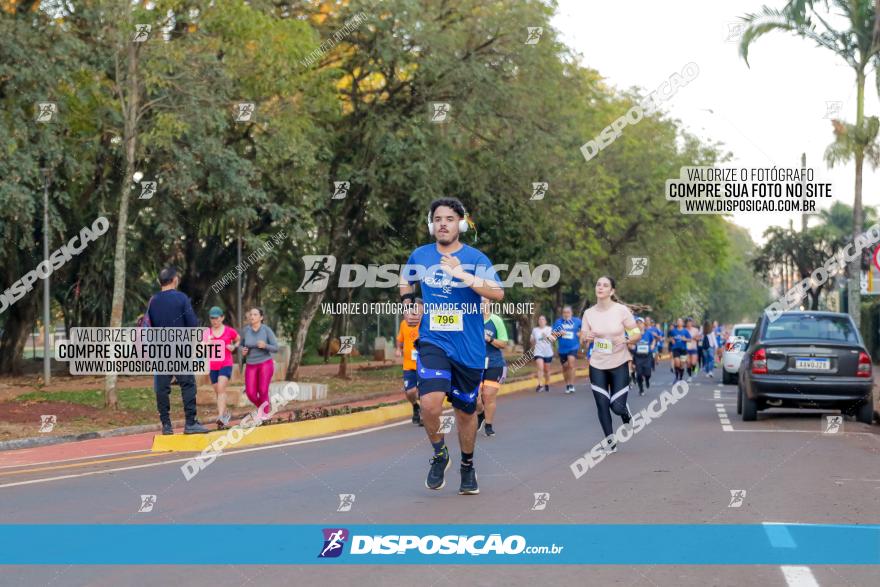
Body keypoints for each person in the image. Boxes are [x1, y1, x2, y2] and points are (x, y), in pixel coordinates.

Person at [399, 197, 503, 495]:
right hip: (434, 340)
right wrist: (409, 303)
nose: (443, 223)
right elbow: (405, 281)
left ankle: (467, 466)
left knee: (466, 413)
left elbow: (497, 293)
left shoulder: (476, 258)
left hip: (469, 349)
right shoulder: (420, 255)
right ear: (432, 225)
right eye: (438, 219)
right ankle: (439, 453)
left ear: (460, 223)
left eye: (449, 219)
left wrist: (463, 275)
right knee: (429, 402)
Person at [581, 276, 641, 454]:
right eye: (598, 284)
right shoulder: (588, 313)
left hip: (619, 362)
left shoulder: (621, 310)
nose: (600, 287)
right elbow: (583, 337)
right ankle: (610, 442)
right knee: (601, 403)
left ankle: (625, 412)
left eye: (605, 285)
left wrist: (627, 338)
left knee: (616, 406)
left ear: (612, 291)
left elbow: (636, 332)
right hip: (597, 364)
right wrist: (587, 337)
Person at [146, 266, 208, 435]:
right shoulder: (181, 298)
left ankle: (166, 425)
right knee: (187, 384)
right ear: (174, 280)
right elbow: (193, 324)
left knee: (162, 388)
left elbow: (148, 326)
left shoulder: (153, 300)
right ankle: (190, 423)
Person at [241, 307, 279, 424]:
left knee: (263, 390)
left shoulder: (266, 330)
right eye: (251, 314)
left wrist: (265, 345)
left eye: (255, 314)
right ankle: (264, 408)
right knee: (250, 393)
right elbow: (241, 346)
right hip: (251, 364)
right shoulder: (246, 330)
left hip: (265, 363)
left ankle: (264, 414)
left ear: (261, 317)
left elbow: (276, 348)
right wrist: (243, 351)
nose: (252, 317)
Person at [477, 298, 508, 437]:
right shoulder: (471, 320)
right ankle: (480, 413)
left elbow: (503, 343)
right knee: (475, 398)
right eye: (480, 302)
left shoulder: (496, 320)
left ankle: (488, 425)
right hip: (474, 363)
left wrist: (490, 339)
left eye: (485, 301)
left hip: (494, 363)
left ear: (489, 303)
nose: (482, 304)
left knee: (488, 395)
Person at [206, 306, 240, 430]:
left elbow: (238, 339)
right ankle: (225, 415)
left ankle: (220, 416)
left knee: (221, 388)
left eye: (216, 318)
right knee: (218, 392)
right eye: (212, 318)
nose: (214, 321)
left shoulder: (229, 331)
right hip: (213, 365)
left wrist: (234, 347)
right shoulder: (207, 333)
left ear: (222, 318)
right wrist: (206, 343)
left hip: (225, 363)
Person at [396, 298, 423, 425]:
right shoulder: (404, 323)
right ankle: (415, 406)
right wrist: (398, 348)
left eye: (418, 308)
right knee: (410, 392)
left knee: (423, 390)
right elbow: (400, 338)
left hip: (424, 363)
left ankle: (423, 415)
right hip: (408, 364)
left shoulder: (427, 323)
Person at [553, 306, 582, 394]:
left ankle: (572, 385)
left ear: (571, 313)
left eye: (568, 312)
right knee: (565, 367)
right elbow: (553, 334)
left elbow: (585, 330)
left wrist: (580, 333)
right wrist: (559, 333)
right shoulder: (559, 322)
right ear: (562, 314)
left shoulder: (577, 321)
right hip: (562, 349)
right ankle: (567, 384)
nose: (566, 314)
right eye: (564, 312)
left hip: (573, 346)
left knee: (571, 364)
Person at [628, 318, 655, 396]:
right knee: (639, 374)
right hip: (638, 356)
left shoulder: (648, 333)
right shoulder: (633, 334)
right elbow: (628, 342)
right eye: (637, 323)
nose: (639, 324)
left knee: (648, 374)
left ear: (644, 324)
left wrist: (652, 346)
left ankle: (647, 380)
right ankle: (641, 389)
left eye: (640, 323)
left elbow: (653, 340)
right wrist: (631, 347)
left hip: (647, 356)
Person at [530, 315, 554, 393]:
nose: (541, 321)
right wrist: (532, 341)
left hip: (548, 352)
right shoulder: (535, 330)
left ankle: (547, 383)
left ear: (545, 321)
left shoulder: (549, 329)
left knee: (547, 370)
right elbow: (532, 340)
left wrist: (546, 336)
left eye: (543, 319)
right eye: (540, 320)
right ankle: (540, 385)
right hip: (538, 351)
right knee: (540, 368)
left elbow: (552, 339)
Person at [668, 318, 691, 382]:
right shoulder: (673, 331)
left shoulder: (685, 331)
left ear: (682, 323)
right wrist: (671, 340)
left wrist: (685, 339)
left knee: (681, 365)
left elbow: (690, 339)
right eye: (678, 321)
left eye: (680, 321)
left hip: (683, 349)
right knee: (677, 363)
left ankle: (681, 377)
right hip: (676, 349)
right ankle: (676, 376)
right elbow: (669, 338)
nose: (679, 322)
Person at [685, 317, 701, 382]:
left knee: (693, 362)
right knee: (688, 363)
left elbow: (698, 338)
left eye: (690, 322)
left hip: (694, 347)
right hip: (686, 348)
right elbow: (682, 338)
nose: (689, 324)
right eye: (688, 322)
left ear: (692, 323)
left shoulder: (695, 330)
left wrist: (694, 338)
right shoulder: (684, 330)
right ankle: (689, 376)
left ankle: (695, 369)